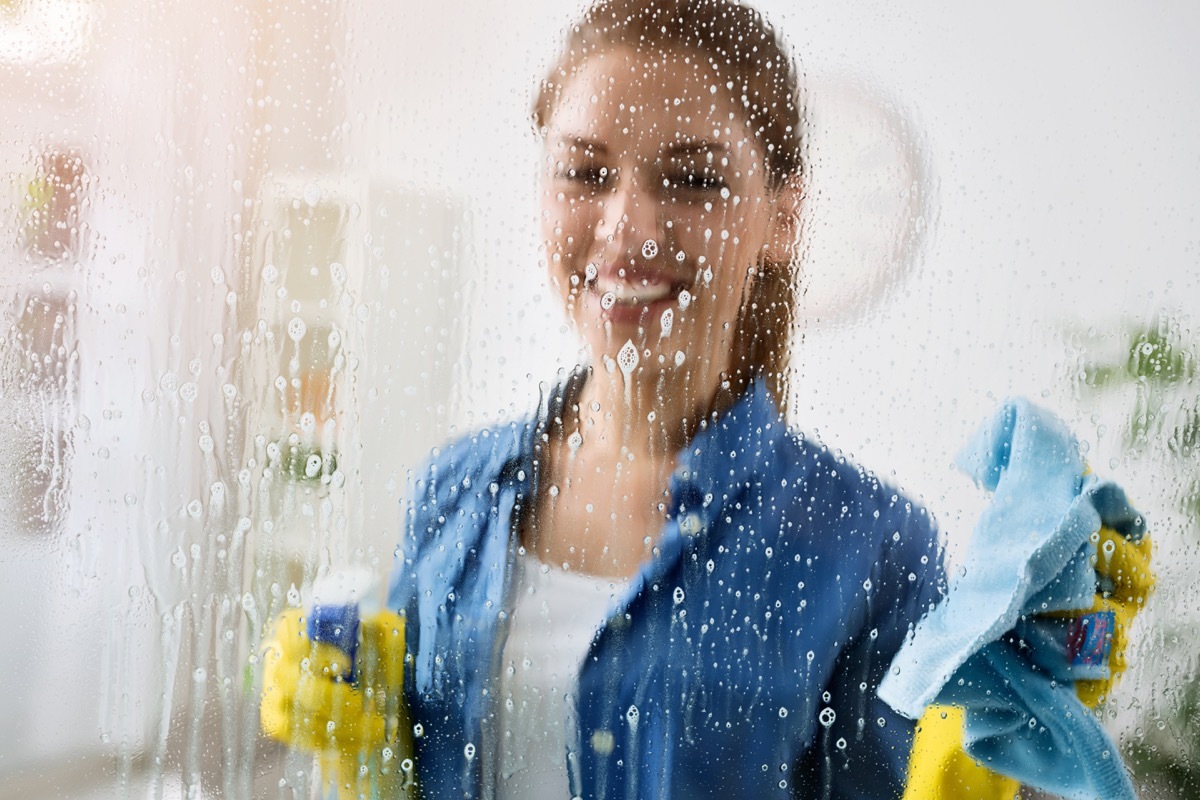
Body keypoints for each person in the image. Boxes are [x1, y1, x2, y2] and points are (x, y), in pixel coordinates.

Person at [260, 1, 1154, 798]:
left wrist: (993, 760)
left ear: (782, 219)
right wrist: (359, 752)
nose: (629, 229)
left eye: (691, 180)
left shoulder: (875, 550)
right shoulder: (452, 492)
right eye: (585, 172)